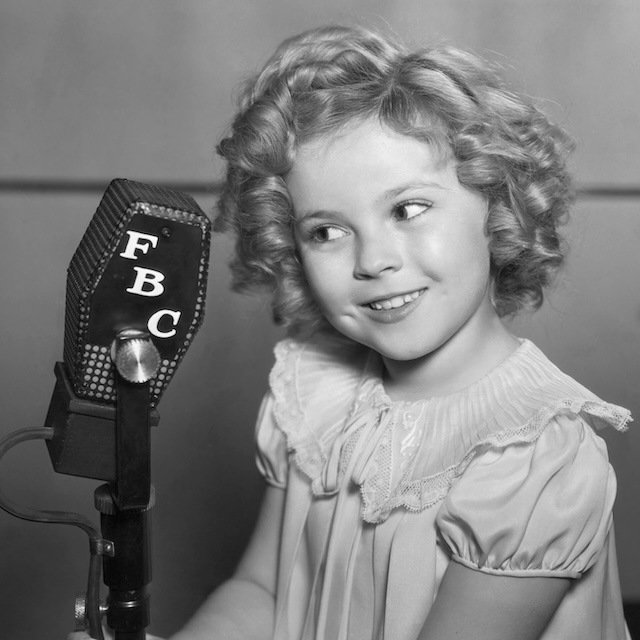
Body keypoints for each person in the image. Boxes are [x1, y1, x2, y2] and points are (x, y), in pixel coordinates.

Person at [71, 24, 632, 640]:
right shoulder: (316, 394)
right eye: (327, 231)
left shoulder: (533, 456)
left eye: (407, 209)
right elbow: (263, 593)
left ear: (498, 206)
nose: (373, 260)